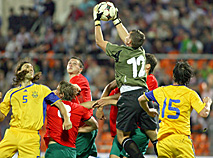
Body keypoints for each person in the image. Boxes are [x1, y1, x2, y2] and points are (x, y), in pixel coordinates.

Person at [93, 4, 157, 157]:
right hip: (143, 95)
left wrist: (97, 21)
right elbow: (128, 37)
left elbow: (99, 41)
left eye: (128, 37)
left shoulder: (121, 52)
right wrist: (116, 20)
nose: (126, 36)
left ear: (128, 43)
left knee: (122, 137)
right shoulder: (141, 51)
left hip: (128, 97)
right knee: (154, 135)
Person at [138, 61, 212, 158]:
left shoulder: (162, 90)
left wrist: (148, 110)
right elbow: (204, 113)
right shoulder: (190, 94)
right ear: (188, 79)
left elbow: (141, 99)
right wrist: (208, 102)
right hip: (182, 141)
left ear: (173, 76)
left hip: (163, 142)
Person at [0, 60, 72, 158]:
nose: (30, 69)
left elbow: (60, 104)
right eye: (27, 67)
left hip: (31, 136)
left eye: (32, 68)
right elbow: (1, 117)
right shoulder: (11, 93)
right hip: (13, 133)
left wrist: (67, 119)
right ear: (19, 72)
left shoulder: (42, 89)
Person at [95, 53, 159, 157]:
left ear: (147, 66)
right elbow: (109, 87)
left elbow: (130, 98)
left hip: (137, 128)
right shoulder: (128, 77)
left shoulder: (150, 80)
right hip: (121, 126)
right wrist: (100, 107)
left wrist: (106, 100)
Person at [44, 81, 98, 158]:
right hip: (71, 152)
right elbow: (95, 125)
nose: (55, 92)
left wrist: (72, 86)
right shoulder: (80, 109)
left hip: (54, 149)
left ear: (62, 94)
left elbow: (46, 93)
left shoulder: (51, 106)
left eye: (57, 90)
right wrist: (78, 130)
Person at [67, 56, 97, 158]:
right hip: (83, 125)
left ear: (80, 69)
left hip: (84, 126)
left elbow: (73, 90)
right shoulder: (74, 80)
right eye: (69, 63)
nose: (70, 64)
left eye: (74, 63)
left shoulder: (78, 79)